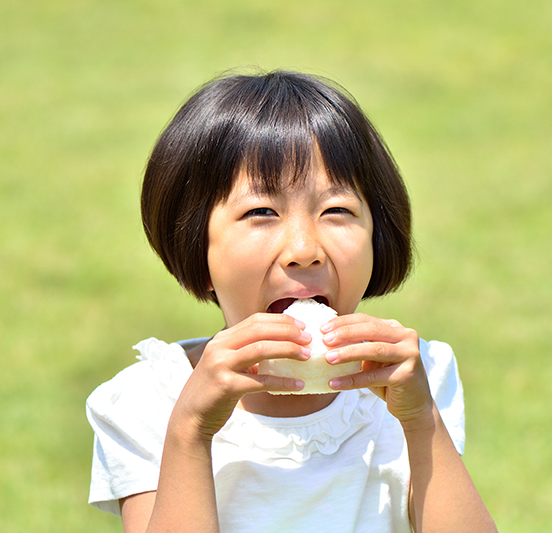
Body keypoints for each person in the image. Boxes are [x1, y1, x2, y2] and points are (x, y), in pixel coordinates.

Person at [86, 70, 497, 533]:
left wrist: (421, 419)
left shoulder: (416, 376)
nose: (305, 249)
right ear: (197, 250)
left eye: (336, 210)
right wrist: (191, 431)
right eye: (261, 212)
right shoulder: (149, 401)